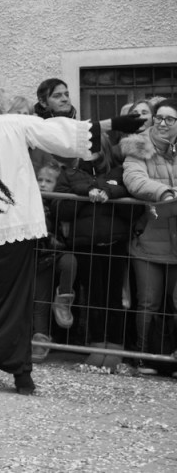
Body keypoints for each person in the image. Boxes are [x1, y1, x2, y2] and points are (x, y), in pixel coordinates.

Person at [0, 63, 143, 395]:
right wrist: (113, 123)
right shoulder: (16, 123)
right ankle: (21, 374)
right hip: (18, 226)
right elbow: (63, 133)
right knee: (16, 300)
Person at [53, 146, 136, 370]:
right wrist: (86, 194)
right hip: (85, 244)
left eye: (95, 144)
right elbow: (60, 208)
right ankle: (97, 346)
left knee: (115, 298)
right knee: (92, 297)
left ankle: (115, 348)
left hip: (115, 243)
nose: (90, 149)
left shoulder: (120, 172)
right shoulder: (69, 174)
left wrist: (109, 192)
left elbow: (132, 206)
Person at [120, 98, 177, 374]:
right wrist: (164, 192)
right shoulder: (139, 148)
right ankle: (143, 358)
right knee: (148, 302)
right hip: (150, 237)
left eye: (170, 119)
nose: (163, 123)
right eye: (159, 117)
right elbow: (134, 179)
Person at [30, 162, 77, 363]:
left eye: (48, 181)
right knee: (40, 300)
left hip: (58, 254)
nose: (42, 184)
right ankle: (40, 338)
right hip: (40, 257)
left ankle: (63, 301)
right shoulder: (32, 201)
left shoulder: (63, 204)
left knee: (70, 263)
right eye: (39, 180)